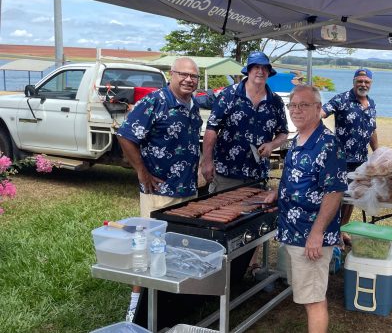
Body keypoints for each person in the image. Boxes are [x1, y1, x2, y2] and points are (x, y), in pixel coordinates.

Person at [117, 57, 203, 322]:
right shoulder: (154, 102)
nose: (188, 80)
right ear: (171, 75)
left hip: (188, 191)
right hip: (160, 192)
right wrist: (142, 171)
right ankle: (136, 308)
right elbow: (125, 135)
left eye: (194, 76)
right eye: (183, 74)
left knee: (178, 250)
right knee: (147, 249)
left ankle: (171, 304)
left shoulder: (193, 105)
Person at [265, 84, 348, 333]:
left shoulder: (327, 144)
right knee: (304, 292)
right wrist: (278, 194)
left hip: (310, 235)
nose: (297, 110)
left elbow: (334, 192)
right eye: (293, 105)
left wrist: (317, 233)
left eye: (304, 105)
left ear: (319, 109)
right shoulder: (299, 139)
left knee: (313, 300)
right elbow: (296, 178)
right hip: (293, 230)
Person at [201, 51, 288, 192]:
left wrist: (272, 145)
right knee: (221, 212)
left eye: (264, 68)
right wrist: (207, 161)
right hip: (227, 173)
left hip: (258, 174)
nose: (260, 71)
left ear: (269, 72)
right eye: (256, 67)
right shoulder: (228, 95)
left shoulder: (275, 101)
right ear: (248, 70)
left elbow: (283, 132)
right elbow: (212, 129)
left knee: (252, 213)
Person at [321, 68, 378, 247]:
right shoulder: (341, 99)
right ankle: (331, 233)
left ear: (371, 84)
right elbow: (320, 114)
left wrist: (377, 153)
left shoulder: (371, 103)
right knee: (336, 197)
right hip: (340, 160)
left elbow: (372, 130)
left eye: (366, 82)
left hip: (361, 161)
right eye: (359, 81)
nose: (363, 84)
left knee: (352, 197)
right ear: (354, 81)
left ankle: (342, 229)